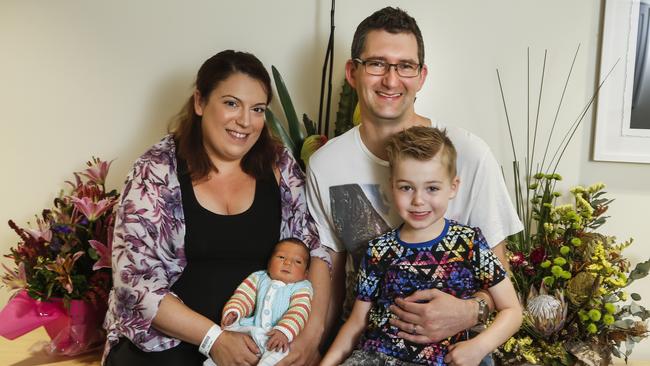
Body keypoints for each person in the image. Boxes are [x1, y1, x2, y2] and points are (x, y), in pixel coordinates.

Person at [298, 6, 523, 365]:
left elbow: (501, 278)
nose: (391, 80)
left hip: (454, 350)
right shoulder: (326, 165)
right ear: (352, 72)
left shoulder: (468, 153)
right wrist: (311, 350)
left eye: (405, 66)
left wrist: (468, 312)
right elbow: (330, 276)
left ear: (421, 76)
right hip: (377, 348)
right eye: (376, 64)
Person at [102, 50, 331, 366]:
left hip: (262, 339)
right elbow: (135, 284)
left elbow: (315, 252)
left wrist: (310, 338)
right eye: (231, 103)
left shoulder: (279, 164)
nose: (245, 122)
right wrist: (214, 339)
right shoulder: (155, 170)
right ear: (200, 102)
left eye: (258, 109)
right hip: (170, 342)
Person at [321, 126, 522, 366]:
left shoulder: (469, 243)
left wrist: (479, 347)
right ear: (391, 185)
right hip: (378, 357)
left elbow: (512, 310)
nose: (418, 200)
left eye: (432, 188)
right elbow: (357, 321)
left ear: (453, 187)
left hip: (443, 359)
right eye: (406, 187)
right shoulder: (378, 250)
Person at [205, 238, 313, 366]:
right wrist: (235, 311)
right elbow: (244, 296)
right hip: (252, 330)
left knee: (280, 355)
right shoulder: (259, 277)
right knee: (230, 339)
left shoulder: (302, 287)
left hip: (277, 338)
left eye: (298, 261)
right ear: (269, 263)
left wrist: (284, 331)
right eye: (281, 257)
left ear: (305, 274)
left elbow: (299, 311)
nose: (288, 263)